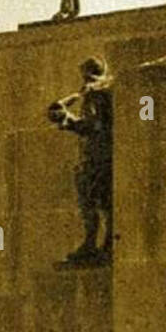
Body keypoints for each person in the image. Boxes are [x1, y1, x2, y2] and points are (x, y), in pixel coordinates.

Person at [48, 56, 114, 265]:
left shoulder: (94, 93)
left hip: (95, 158)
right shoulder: (104, 90)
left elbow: (94, 125)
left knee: (91, 201)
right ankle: (103, 244)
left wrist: (68, 120)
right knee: (103, 203)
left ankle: (93, 243)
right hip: (102, 156)